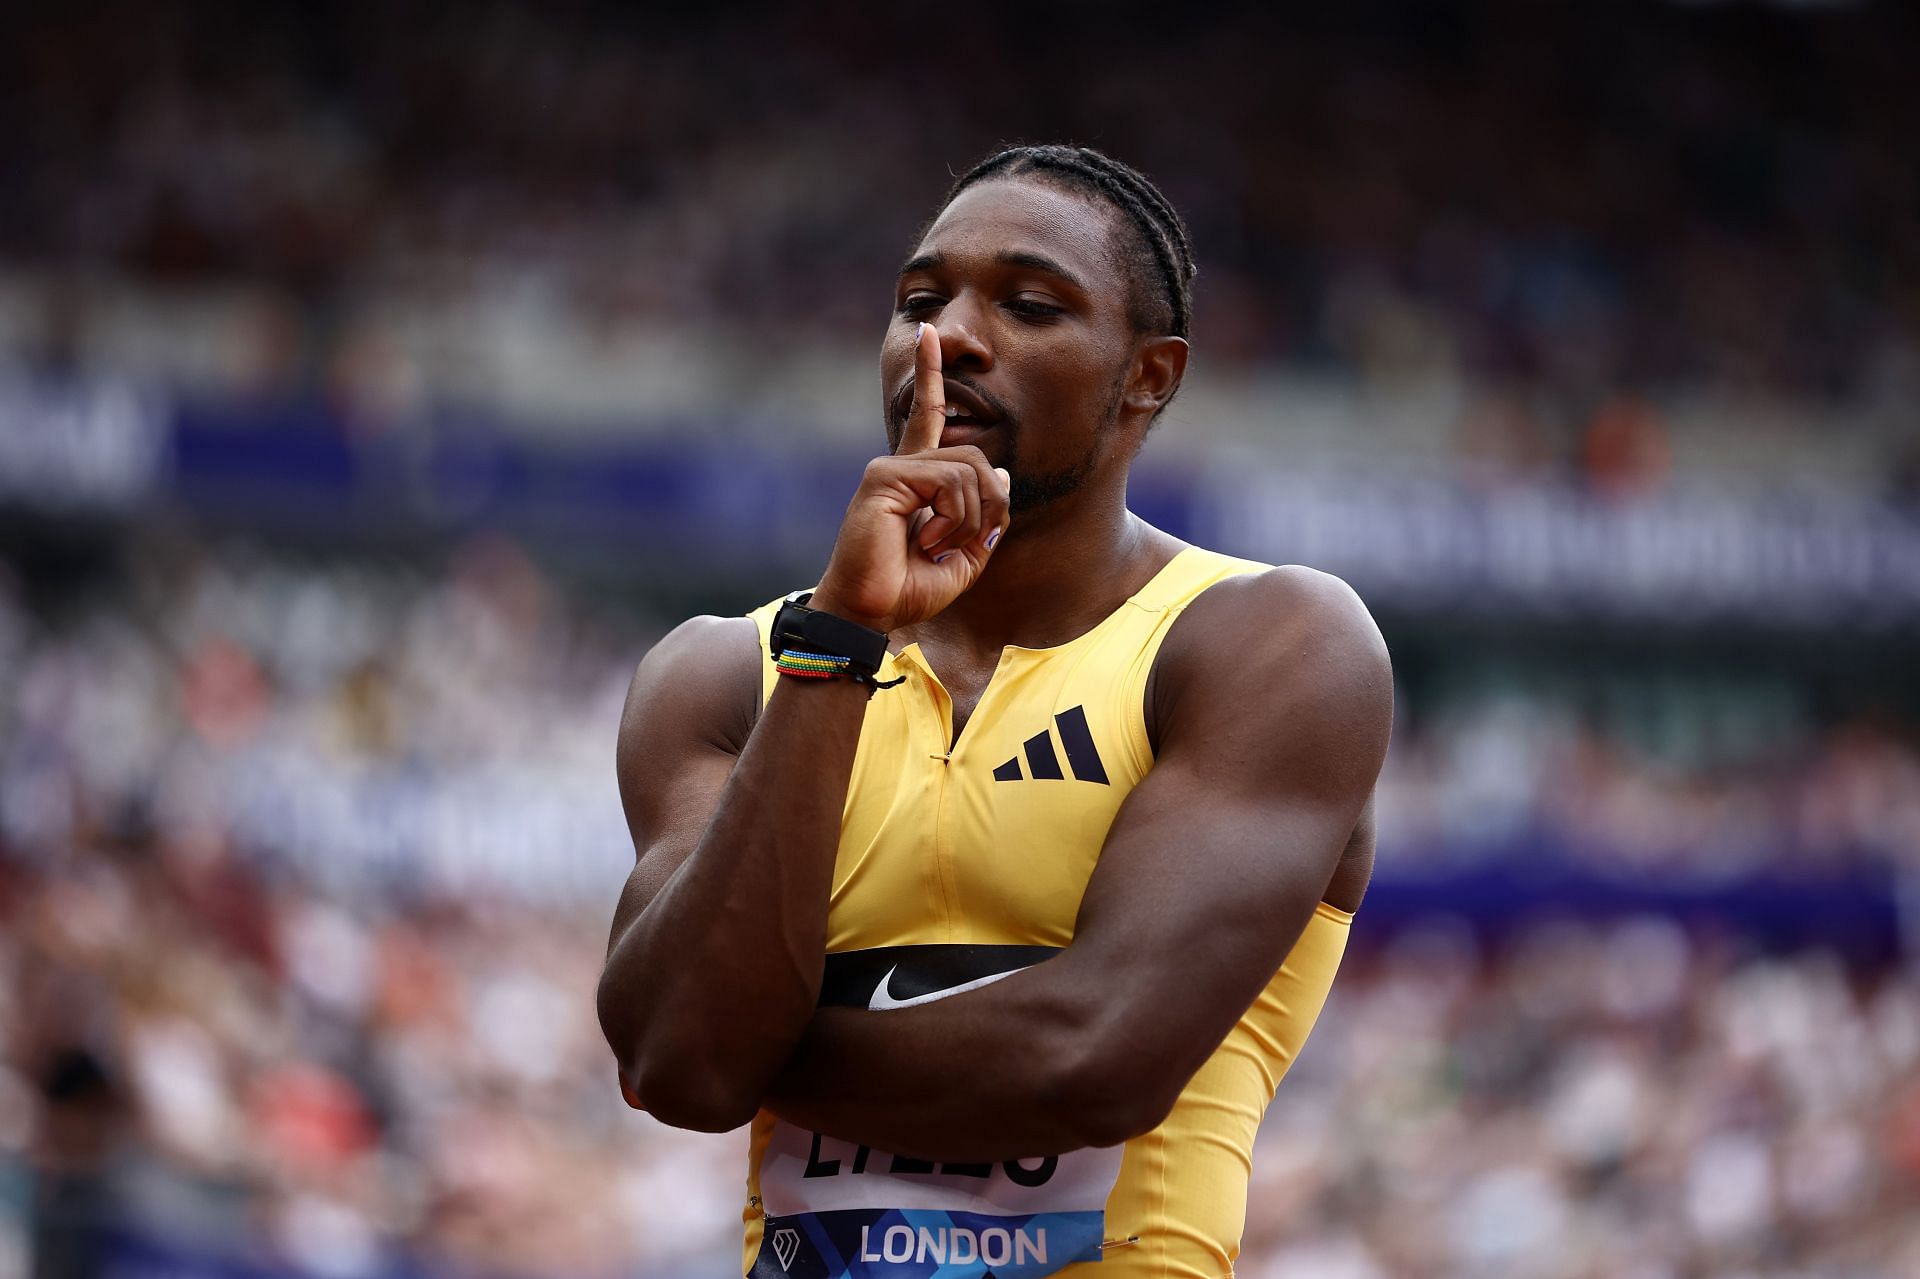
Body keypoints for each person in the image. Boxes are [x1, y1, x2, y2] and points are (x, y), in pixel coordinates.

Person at [597, 145, 1392, 1279]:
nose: (951, 338)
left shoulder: (1266, 643)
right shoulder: (724, 672)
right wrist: (841, 642)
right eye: (920, 301)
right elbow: (677, 1054)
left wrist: (741, 1049)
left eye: (1028, 305)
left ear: (1149, 375)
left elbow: (1091, 1059)